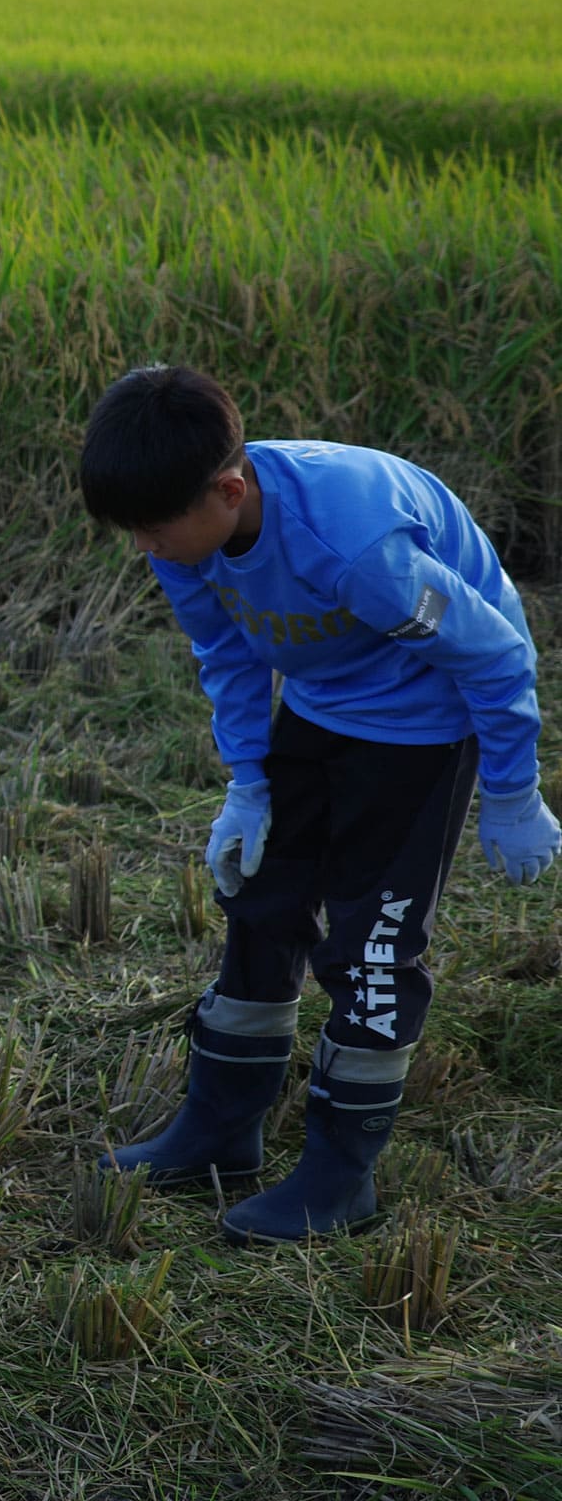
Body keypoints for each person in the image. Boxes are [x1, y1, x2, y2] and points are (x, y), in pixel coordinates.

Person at [82, 365, 553, 1242]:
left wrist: (512, 789)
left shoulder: (355, 547)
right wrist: (249, 783)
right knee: (260, 902)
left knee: (372, 945)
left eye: (153, 528)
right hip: (320, 704)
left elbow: (493, 654)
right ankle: (222, 1129)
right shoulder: (189, 539)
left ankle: (342, 1172)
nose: (144, 548)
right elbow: (227, 655)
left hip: (422, 727)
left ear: (229, 488)